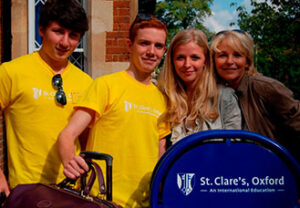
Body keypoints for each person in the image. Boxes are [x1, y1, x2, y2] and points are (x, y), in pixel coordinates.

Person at [58, 14, 170, 207]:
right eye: (144, 43)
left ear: (164, 51)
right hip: (101, 200)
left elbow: (160, 153)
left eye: (158, 46)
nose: (152, 51)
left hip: (143, 201)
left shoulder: (162, 99)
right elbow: (67, 135)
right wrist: (72, 165)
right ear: (129, 45)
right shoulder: (106, 85)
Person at [0, 0, 92, 196]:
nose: (65, 42)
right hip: (26, 190)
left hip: (72, 190)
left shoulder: (86, 82)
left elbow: (86, 141)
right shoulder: (11, 72)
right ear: (41, 30)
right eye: (58, 31)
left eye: (73, 36)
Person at [210, 30, 300, 162]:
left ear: (247, 61)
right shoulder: (212, 93)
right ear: (213, 60)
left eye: (237, 55)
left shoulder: (265, 88)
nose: (230, 61)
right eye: (222, 55)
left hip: (271, 169)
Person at [158, 28, 241, 144]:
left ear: (205, 61)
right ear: (172, 61)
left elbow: (235, 147)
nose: (187, 64)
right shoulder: (164, 96)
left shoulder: (224, 97)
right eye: (180, 58)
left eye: (195, 58)